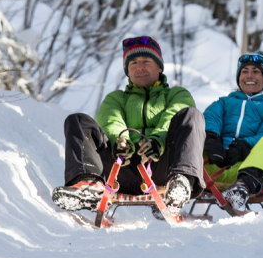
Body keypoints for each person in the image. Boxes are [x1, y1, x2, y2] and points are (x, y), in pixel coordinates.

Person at [53, 36, 205, 212]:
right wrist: (121, 141)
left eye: (146, 61)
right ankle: (89, 185)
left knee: (192, 115)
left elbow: (172, 115)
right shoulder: (116, 98)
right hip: (120, 169)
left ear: (159, 67)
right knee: (78, 121)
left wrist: (157, 142)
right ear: (127, 70)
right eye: (133, 63)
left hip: (162, 167)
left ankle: (181, 183)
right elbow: (111, 119)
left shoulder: (177, 94)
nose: (139, 67)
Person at [203, 51, 263, 212]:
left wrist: (245, 145)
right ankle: (180, 182)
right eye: (245, 71)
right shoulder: (223, 103)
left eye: (256, 72)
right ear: (238, 77)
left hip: (246, 170)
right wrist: (212, 139)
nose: (249, 76)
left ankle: (240, 190)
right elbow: (210, 119)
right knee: (192, 128)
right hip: (209, 167)